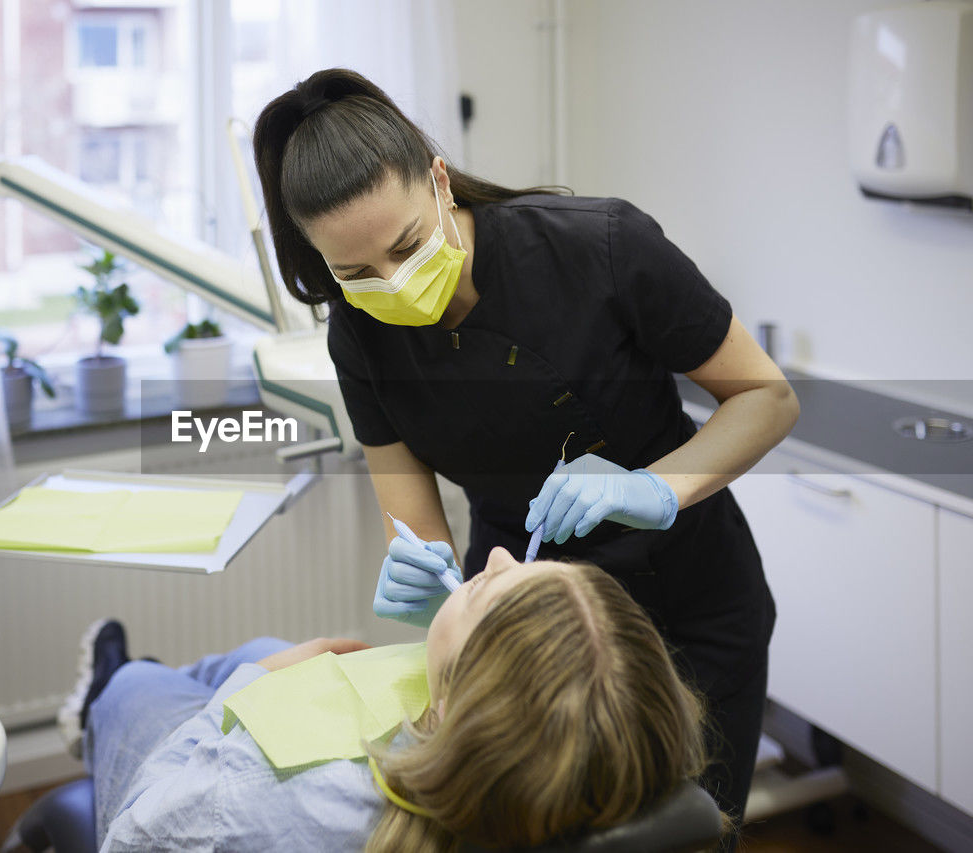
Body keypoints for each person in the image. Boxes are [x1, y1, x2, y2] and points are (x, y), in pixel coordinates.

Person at [251, 67, 799, 848]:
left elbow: (767, 399)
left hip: (692, 599)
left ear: (440, 182)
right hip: (524, 638)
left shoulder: (601, 247)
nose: (396, 284)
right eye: (355, 273)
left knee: (681, 836)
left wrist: (657, 488)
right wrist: (426, 584)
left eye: (407, 245)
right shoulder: (358, 335)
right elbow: (417, 535)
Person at [67, 549, 712, 851]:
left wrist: (254, 684)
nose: (493, 554)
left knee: (142, 691)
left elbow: (133, 840)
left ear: (467, 694)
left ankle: (104, 689)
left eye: (490, 586)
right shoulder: (600, 756)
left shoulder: (258, 788)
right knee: (260, 645)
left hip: (189, 763)